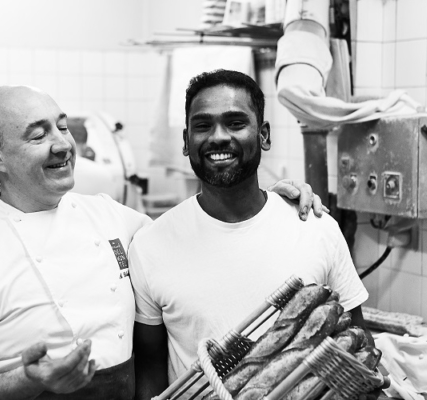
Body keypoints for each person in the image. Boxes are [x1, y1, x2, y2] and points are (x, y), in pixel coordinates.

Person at [0, 85, 323, 399]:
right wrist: (25, 380)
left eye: (63, 127)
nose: (62, 144)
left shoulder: (109, 216)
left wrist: (260, 201)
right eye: (39, 135)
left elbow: (195, 228)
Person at [129, 70, 374, 400]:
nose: (218, 136)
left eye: (235, 123)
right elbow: (150, 370)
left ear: (263, 136)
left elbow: (357, 341)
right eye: (203, 125)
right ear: (186, 142)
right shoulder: (150, 245)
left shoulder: (315, 227)